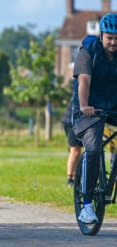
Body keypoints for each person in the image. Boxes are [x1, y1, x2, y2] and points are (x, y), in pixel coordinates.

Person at [72, 13, 117, 224]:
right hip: (90, 107)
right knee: (93, 147)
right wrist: (84, 106)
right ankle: (87, 204)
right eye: (110, 37)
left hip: (114, 105)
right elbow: (84, 81)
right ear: (101, 36)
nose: (114, 41)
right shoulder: (89, 51)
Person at [62, 99, 82, 187]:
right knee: (75, 150)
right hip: (71, 121)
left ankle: (76, 177)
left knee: (79, 151)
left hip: (82, 121)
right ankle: (70, 179)